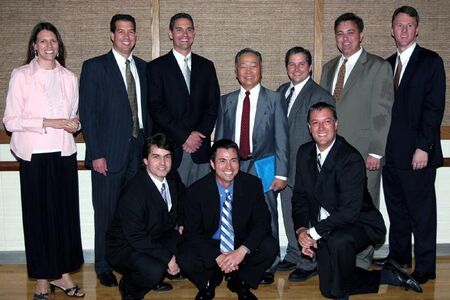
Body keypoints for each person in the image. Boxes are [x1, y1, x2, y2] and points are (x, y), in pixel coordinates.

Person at [292, 102, 422, 299]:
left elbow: (348, 212)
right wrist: (302, 231)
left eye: (327, 122)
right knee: (327, 289)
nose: (321, 128)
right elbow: (299, 198)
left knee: (338, 248)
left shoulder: (350, 158)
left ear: (336, 124)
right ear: (309, 128)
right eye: (315, 123)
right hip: (327, 227)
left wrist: (313, 233)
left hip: (360, 223)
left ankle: (341, 294)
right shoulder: (304, 153)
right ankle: (386, 275)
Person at [3, 22, 84, 299]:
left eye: (53, 41)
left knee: (64, 218)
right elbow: (10, 121)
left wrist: (74, 124)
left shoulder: (69, 77)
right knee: (39, 220)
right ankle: (41, 279)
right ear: (34, 46)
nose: (49, 46)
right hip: (34, 156)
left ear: (59, 46)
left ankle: (62, 275)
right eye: (43, 41)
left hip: (63, 154)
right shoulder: (21, 75)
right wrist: (49, 121)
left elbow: (73, 115)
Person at [79, 14, 151, 288]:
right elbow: (88, 113)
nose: (126, 36)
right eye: (120, 31)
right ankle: (104, 266)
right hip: (108, 156)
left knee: (134, 214)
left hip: (138, 154)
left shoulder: (143, 68)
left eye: (131, 32)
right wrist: (96, 153)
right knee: (106, 212)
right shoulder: (95, 67)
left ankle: (130, 262)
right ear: (111, 35)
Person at [375, 6, 446, 285]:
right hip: (390, 155)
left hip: (418, 154)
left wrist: (424, 147)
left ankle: (426, 267)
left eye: (409, 25)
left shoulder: (430, 61)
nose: (403, 30)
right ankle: (400, 256)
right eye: (399, 25)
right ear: (391, 30)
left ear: (417, 29)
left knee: (422, 213)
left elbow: (434, 108)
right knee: (397, 210)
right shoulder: (386, 64)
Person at [319, 12, 394, 269]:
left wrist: (376, 151)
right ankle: (339, 258)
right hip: (333, 153)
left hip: (364, 154)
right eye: (340, 33)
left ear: (361, 35)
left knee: (364, 207)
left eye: (350, 32)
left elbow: (382, 113)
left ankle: (361, 263)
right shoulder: (329, 68)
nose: (345, 38)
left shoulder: (378, 66)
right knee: (338, 206)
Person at [215, 48, 289, 284]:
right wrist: (218, 168)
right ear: (236, 71)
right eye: (243, 66)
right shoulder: (226, 101)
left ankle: (269, 263)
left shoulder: (275, 99)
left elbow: (282, 138)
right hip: (232, 167)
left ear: (261, 69)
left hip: (264, 166)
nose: (248, 71)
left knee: (267, 215)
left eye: (253, 65)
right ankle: (236, 258)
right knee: (233, 214)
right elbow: (221, 140)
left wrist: (281, 173)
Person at [178, 139, 278, 300]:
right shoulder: (196, 191)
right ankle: (208, 282)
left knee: (270, 246)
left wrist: (241, 251)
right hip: (211, 243)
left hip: (239, 241)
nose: (229, 167)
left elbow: (262, 223)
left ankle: (241, 282)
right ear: (212, 164)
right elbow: (192, 233)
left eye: (233, 160)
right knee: (184, 256)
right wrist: (217, 257)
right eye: (222, 161)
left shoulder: (252, 184)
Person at [276, 46, 334, 281]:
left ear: (310, 67)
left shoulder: (319, 95)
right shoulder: (281, 91)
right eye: (292, 64)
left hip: (308, 167)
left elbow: (324, 134)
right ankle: (293, 251)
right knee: (289, 213)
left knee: (308, 216)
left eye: (302, 64)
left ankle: (309, 261)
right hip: (284, 167)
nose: (296, 68)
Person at [106, 133, 184, 300]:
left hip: (155, 235)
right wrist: (167, 258)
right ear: (146, 160)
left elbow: (185, 200)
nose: (163, 163)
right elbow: (136, 236)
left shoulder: (172, 177)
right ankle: (130, 287)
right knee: (154, 270)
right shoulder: (134, 192)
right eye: (156, 157)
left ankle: (153, 277)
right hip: (125, 245)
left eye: (167, 157)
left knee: (189, 249)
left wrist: (183, 223)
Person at [147, 12, 220, 186]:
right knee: (174, 205)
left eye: (189, 30)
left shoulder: (206, 66)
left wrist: (198, 136)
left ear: (194, 34)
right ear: (170, 33)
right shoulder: (156, 67)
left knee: (200, 204)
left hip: (200, 150)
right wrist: (185, 136)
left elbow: (213, 105)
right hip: (170, 148)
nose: (184, 34)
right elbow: (156, 108)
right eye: (179, 29)